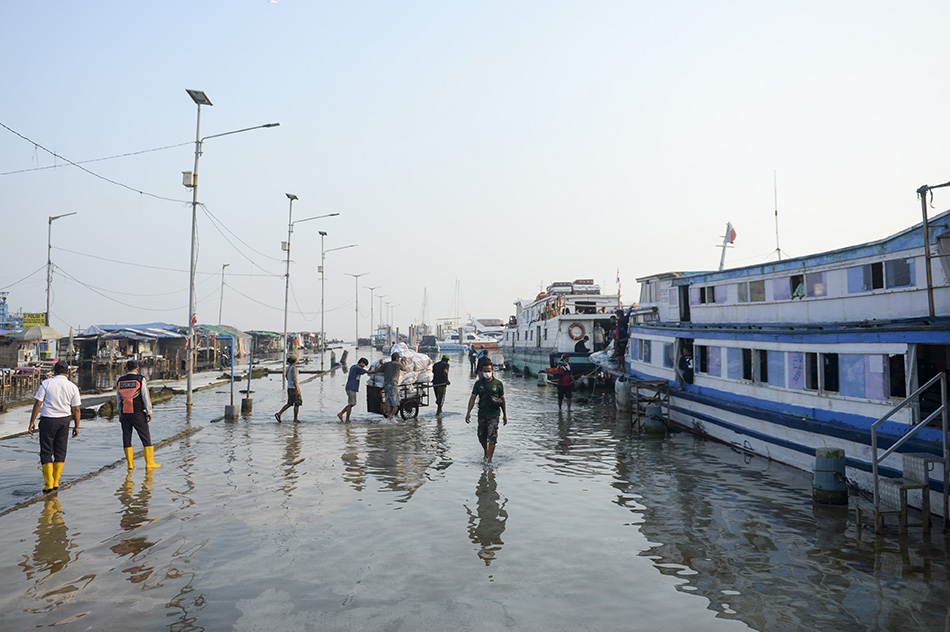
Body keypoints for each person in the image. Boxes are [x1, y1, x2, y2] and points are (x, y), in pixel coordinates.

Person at [27, 361, 81, 493]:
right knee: (60, 451)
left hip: (47, 420)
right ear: (67, 372)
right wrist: (77, 426)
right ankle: (56, 482)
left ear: (54, 371)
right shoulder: (72, 386)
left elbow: (38, 403)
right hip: (64, 421)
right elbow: (76, 409)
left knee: (46, 451)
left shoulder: (46, 383)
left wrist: (31, 422)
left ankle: (48, 483)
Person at [116, 359, 160, 470]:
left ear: (126, 368)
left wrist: (120, 413)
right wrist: (149, 411)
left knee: (126, 437)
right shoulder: (140, 379)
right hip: (137, 413)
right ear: (137, 368)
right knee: (145, 437)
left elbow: (118, 399)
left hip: (125, 414)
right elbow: (146, 396)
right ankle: (149, 463)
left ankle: (130, 464)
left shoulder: (120, 381)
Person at [465, 360, 507, 463]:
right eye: (485, 371)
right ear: (481, 371)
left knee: (492, 436)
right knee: (481, 436)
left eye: (488, 371)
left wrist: (505, 415)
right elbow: (473, 398)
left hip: (494, 414)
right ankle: (486, 451)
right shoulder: (478, 384)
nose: (487, 373)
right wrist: (468, 412)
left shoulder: (498, 384)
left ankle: (489, 459)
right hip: (482, 414)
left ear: (492, 370)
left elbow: (502, 400)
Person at [337, 357, 369, 422]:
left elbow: (364, 372)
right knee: (351, 404)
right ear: (362, 362)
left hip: (352, 387)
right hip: (351, 387)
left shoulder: (354, 367)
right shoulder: (357, 368)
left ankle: (344, 416)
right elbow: (369, 372)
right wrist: (376, 370)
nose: (364, 366)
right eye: (364, 365)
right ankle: (344, 416)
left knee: (353, 403)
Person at [381, 352, 408, 420]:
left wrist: (381, 363)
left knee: (388, 403)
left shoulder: (386, 364)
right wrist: (403, 361)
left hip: (386, 385)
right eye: (398, 358)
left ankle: (388, 417)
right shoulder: (398, 364)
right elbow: (405, 369)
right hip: (393, 385)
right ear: (397, 359)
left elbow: (378, 370)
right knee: (396, 404)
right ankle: (391, 417)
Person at [275, 355, 302, 422]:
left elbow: (287, 377)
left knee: (290, 403)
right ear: (295, 361)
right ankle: (295, 419)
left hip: (289, 387)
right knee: (297, 403)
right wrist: (298, 390)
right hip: (294, 388)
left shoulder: (287, 368)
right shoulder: (294, 369)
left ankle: (279, 414)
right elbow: (295, 380)